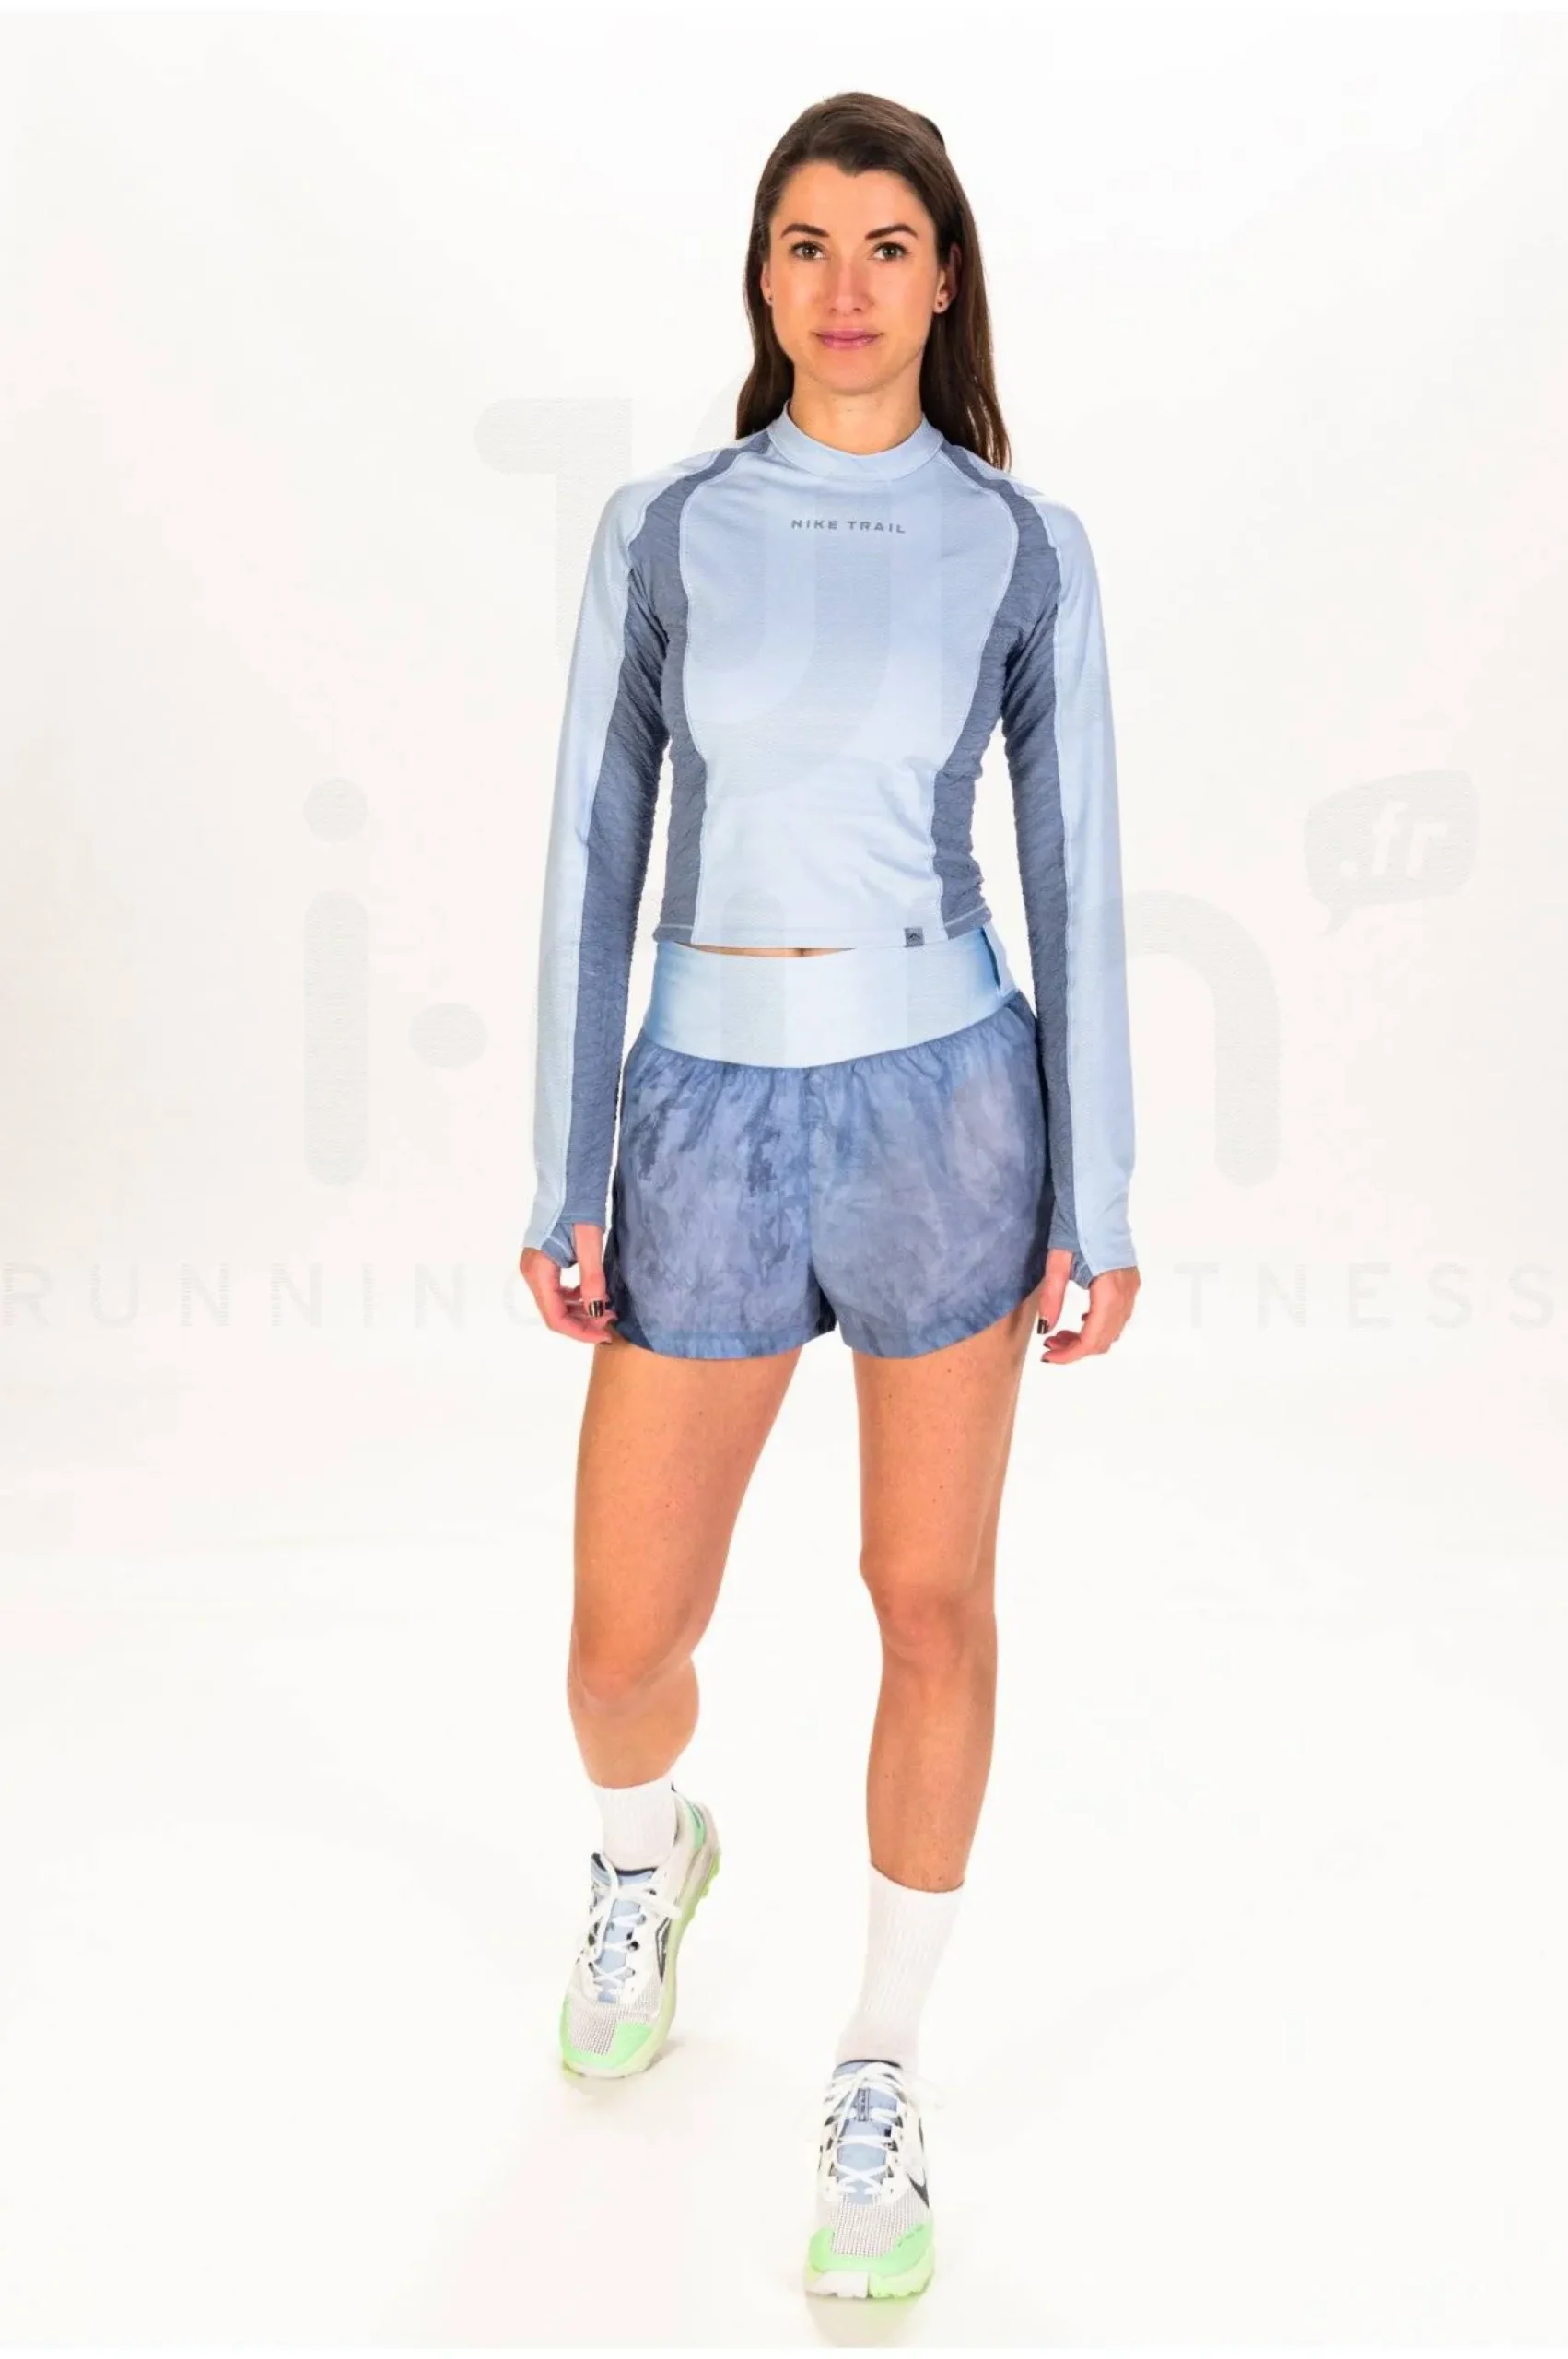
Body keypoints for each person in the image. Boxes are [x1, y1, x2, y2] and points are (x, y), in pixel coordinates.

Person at [518, 89, 1140, 2302]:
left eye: (888, 243)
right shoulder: (663, 528)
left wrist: (1096, 1185)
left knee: (926, 1599)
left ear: (944, 277)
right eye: (806, 243)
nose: (847, 283)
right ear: (759, 276)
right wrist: (560, 1160)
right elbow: (593, 851)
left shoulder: (1020, 545)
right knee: (619, 1645)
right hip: (699, 1109)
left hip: (943, 1114)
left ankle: (876, 2065)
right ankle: (644, 1851)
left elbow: (1074, 871)